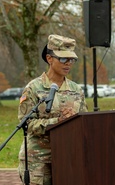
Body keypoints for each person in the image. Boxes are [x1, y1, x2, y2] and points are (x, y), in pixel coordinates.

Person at [17, 34, 88, 185]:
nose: (68, 63)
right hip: (39, 161)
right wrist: (58, 121)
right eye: (63, 59)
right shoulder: (33, 88)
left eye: (71, 60)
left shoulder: (76, 90)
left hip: (67, 158)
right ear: (49, 59)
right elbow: (26, 124)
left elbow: (85, 123)